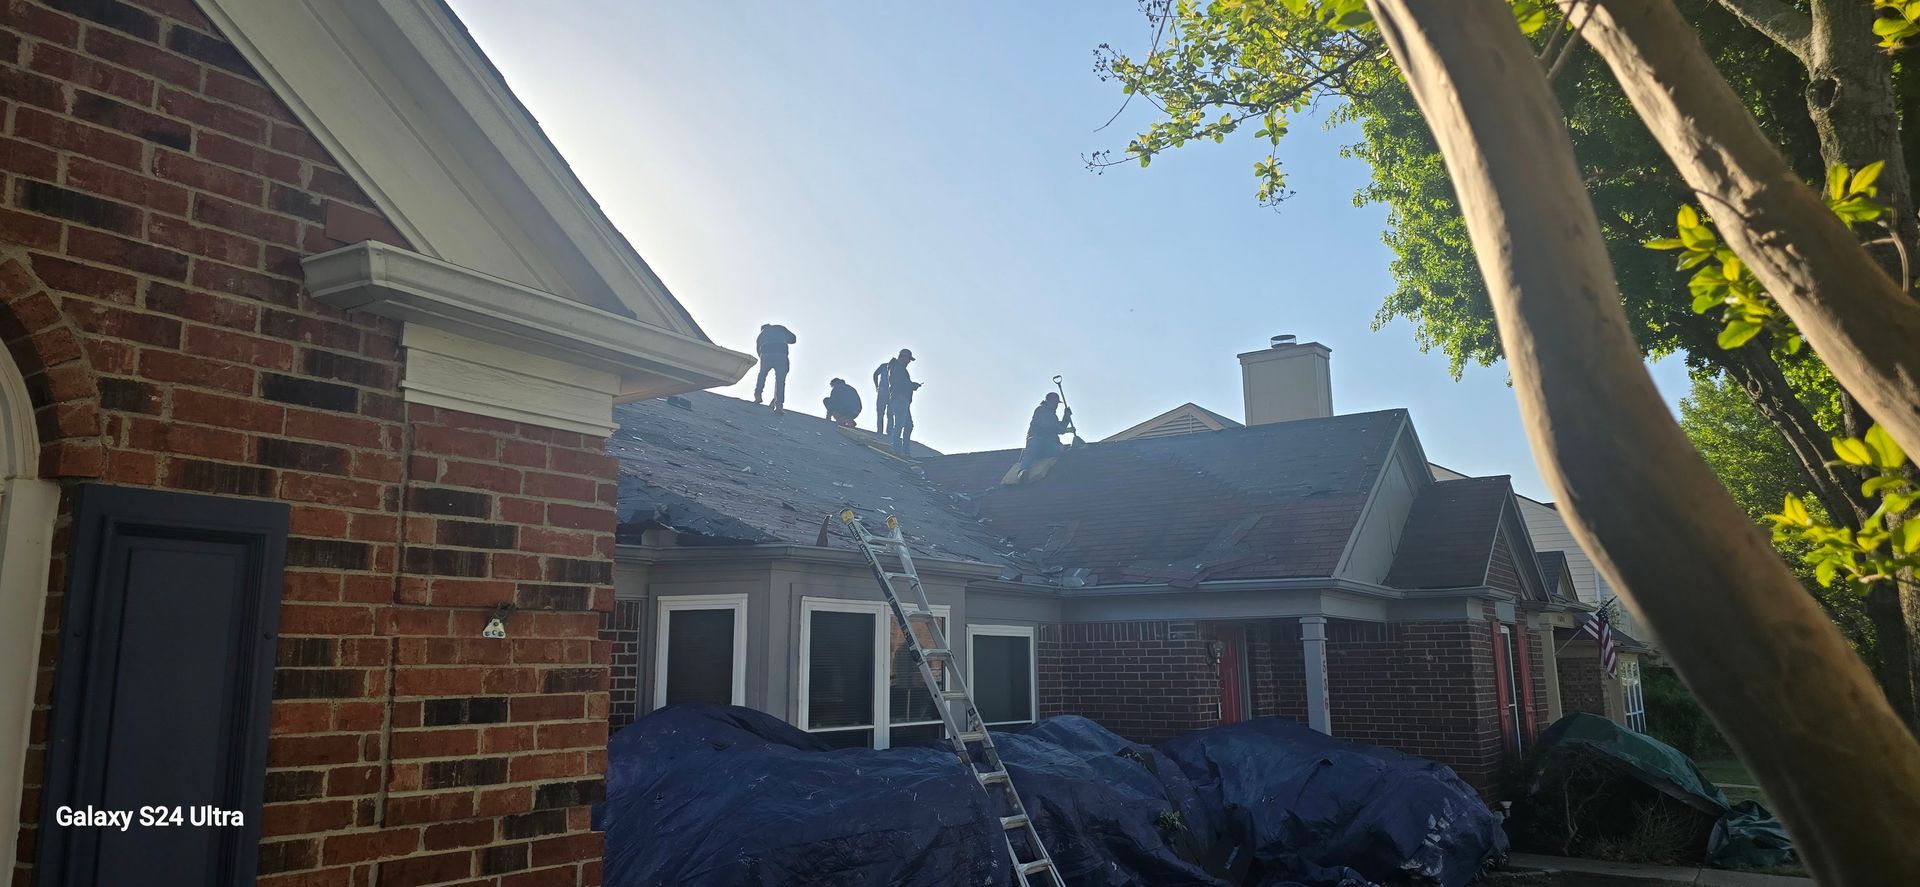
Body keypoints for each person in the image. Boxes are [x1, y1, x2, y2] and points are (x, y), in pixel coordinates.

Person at [1018, 392, 1073, 475]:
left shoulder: (1052, 415)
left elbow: (1059, 426)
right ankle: (1023, 472)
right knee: (1031, 451)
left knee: (1061, 451)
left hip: (1048, 446)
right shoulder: (1041, 410)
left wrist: (1066, 416)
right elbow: (1050, 427)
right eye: (1055, 403)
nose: (1056, 406)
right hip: (1038, 443)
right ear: (1050, 401)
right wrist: (1066, 430)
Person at [753, 323, 796, 411]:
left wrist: (763, 358)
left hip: (766, 353)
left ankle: (758, 396)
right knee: (780, 380)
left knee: (762, 374)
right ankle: (779, 405)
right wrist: (783, 338)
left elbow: (758, 349)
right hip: (781, 353)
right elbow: (793, 339)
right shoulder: (780, 328)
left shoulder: (761, 335)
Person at [884, 348, 918, 456]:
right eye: (908, 359)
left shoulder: (897, 368)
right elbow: (900, 383)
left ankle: (904, 451)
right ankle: (897, 449)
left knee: (908, 425)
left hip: (901, 399)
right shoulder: (897, 368)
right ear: (903, 357)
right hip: (900, 399)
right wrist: (912, 386)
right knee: (900, 424)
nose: (908, 362)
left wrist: (911, 385)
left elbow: (902, 383)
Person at [871, 357, 893, 434]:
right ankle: (887, 432)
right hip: (888, 391)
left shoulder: (884, 366)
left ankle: (881, 431)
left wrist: (877, 386)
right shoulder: (892, 367)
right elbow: (875, 374)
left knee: (883, 413)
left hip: (886, 390)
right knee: (888, 413)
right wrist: (877, 386)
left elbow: (875, 374)